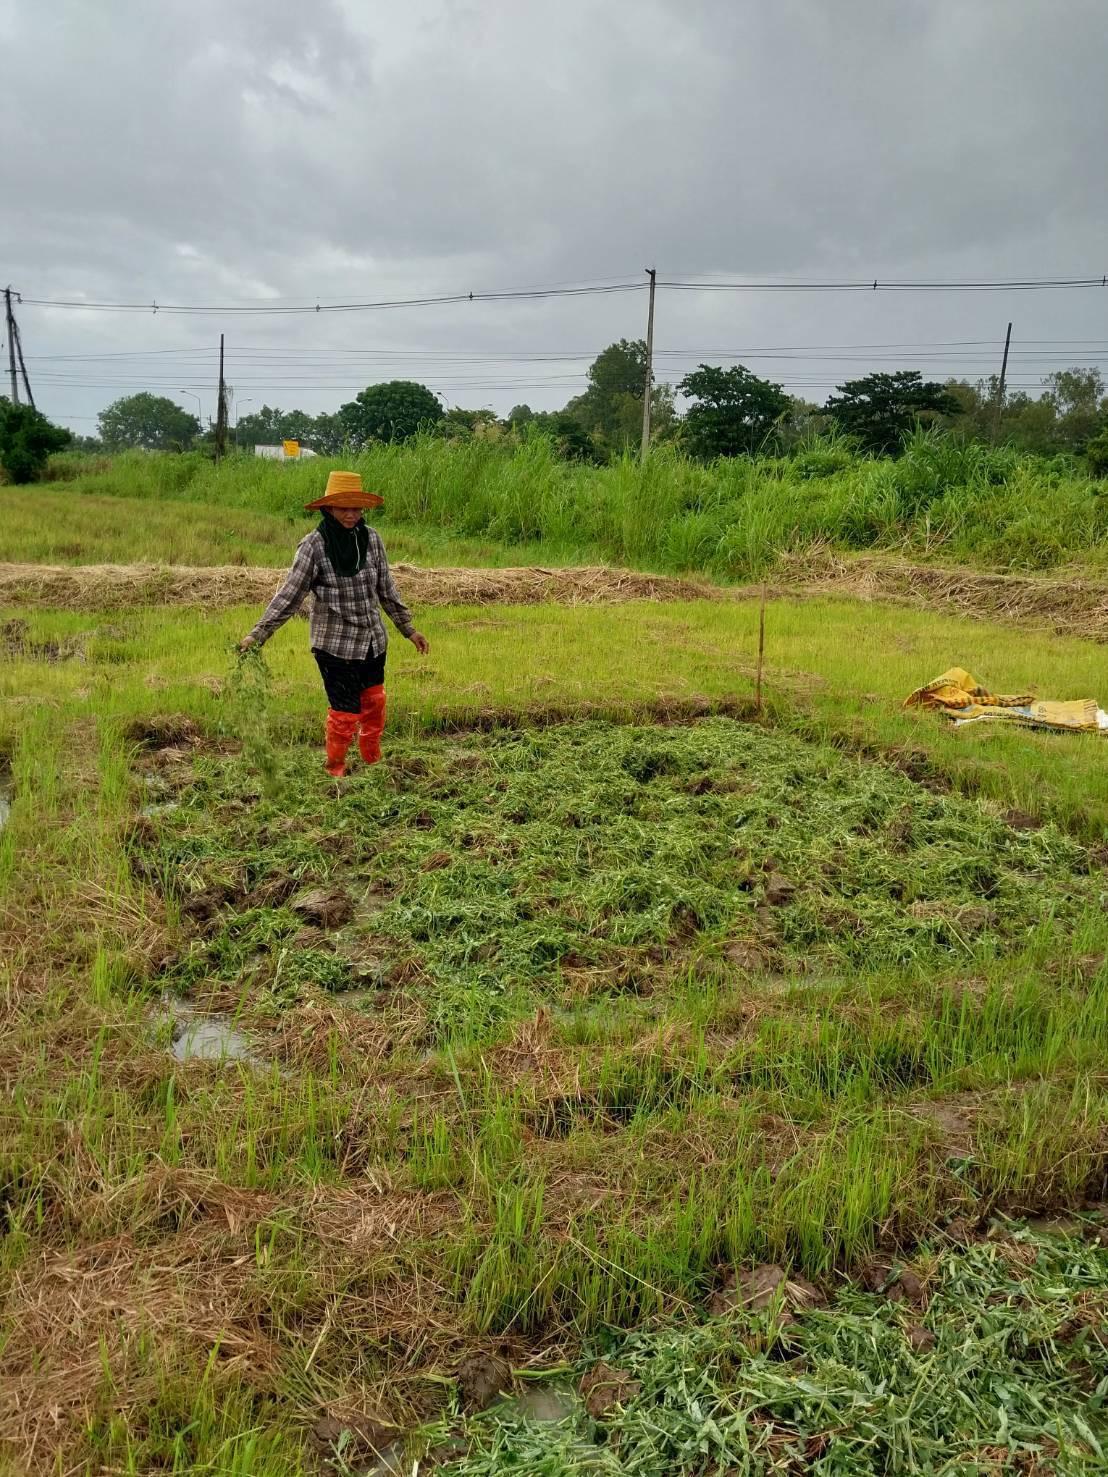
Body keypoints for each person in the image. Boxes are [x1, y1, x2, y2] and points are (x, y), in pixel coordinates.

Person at [239, 469, 429, 777]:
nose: (351, 514)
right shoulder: (314, 546)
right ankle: (335, 771)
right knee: (344, 713)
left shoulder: (372, 540)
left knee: (374, 704)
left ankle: (371, 762)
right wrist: (258, 635)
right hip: (335, 645)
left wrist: (408, 628)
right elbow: (289, 595)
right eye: (344, 508)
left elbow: (387, 590)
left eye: (356, 508)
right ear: (328, 508)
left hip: (372, 642)